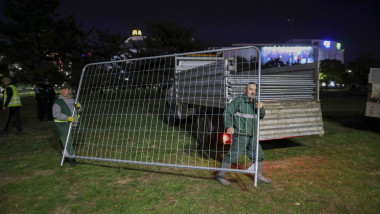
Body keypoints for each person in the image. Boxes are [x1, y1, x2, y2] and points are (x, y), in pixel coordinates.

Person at [216, 82, 271, 185]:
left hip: (253, 135)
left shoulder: (256, 103)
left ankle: (258, 176)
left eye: (254, 90)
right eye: (250, 89)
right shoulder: (239, 101)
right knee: (233, 156)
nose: (253, 91)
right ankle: (220, 175)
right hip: (241, 135)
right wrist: (229, 126)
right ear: (246, 90)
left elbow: (261, 116)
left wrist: (261, 108)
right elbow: (227, 113)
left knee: (259, 155)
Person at [52, 83, 80, 166]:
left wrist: (78, 107)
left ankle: (66, 152)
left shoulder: (73, 100)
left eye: (65, 89)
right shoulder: (58, 102)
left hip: (73, 124)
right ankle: (72, 159)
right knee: (67, 141)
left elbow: (80, 110)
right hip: (62, 125)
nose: (63, 91)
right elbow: (56, 114)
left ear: (70, 90)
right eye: (62, 89)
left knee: (70, 141)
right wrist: (67, 118)